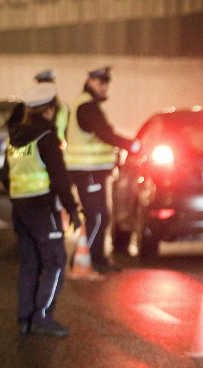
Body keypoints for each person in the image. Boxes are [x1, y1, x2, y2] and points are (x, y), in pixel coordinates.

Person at [2, 84, 82, 337]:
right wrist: (72, 209)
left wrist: (18, 200)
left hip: (21, 209)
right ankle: (42, 317)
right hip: (42, 208)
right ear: (49, 110)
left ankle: (25, 318)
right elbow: (59, 179)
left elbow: (6, 176)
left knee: (30, 263)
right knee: (56, 262)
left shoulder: (16, 139)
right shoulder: (46, 137)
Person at [65, 66, 136, 274]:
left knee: (97, 215)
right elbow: (105, 134)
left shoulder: (87, 105)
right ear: (91, 82)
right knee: (97, 216)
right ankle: (91, 260)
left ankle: (93, 258)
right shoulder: (87, 107)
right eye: (102, 83)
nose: (105, 88)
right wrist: (132, 145)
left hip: (90, 171)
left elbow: (104, 134)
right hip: (87, 171)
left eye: (107, 83)